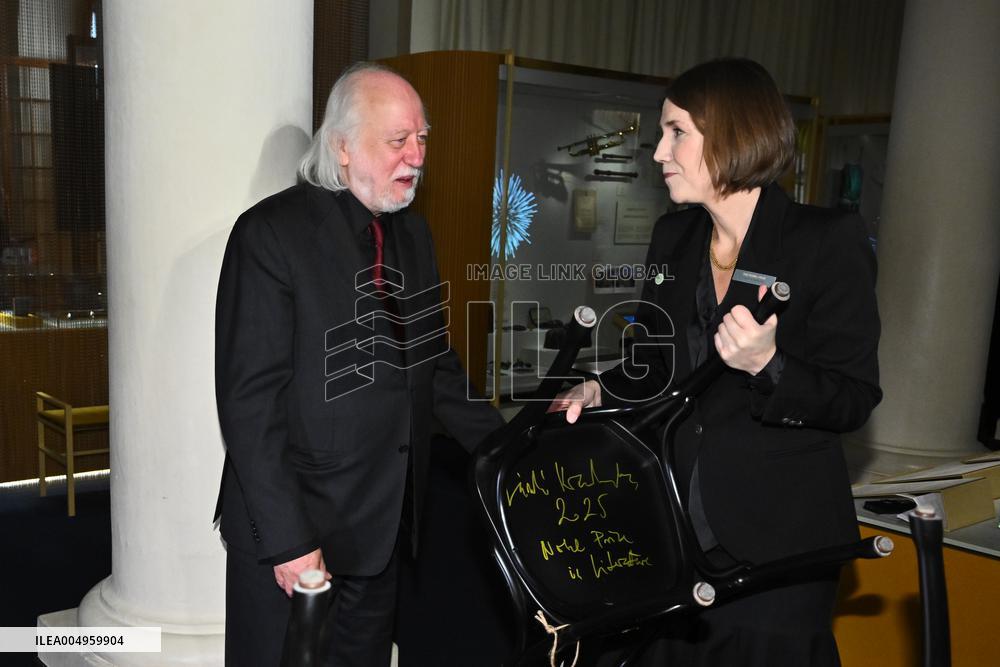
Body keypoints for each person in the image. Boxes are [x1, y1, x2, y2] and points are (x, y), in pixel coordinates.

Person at [551, 58, 881, 665]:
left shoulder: (825, 240)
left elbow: (854, 396)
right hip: (675, 535)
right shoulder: (672, 238)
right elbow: (650, 364)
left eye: (677, 132)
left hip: (779, 546)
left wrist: (769, 365)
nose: (658, 153)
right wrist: (599, 388)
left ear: (730, 135)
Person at [214, 61, 504, 666]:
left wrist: (514, 448)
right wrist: (290, 542)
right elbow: (249, 403)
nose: (417, 156)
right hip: (293, 536)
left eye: (423, 138)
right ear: (343, 147)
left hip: (380, 530)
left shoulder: (413, 237)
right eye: (398, 140)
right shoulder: (268, 234)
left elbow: (434, 368)